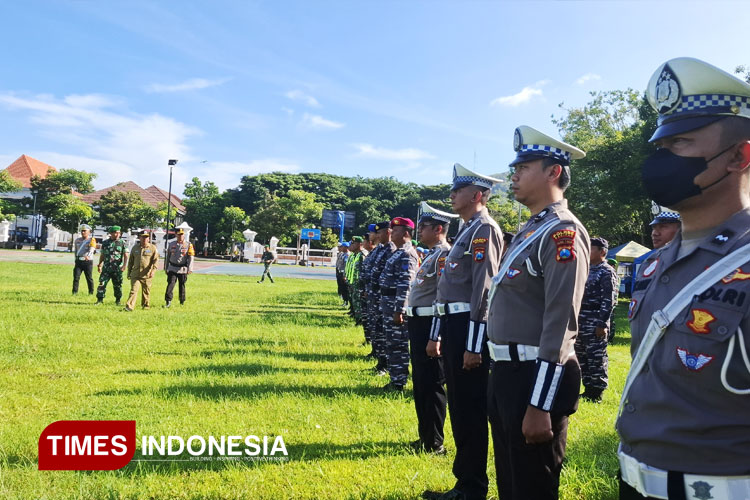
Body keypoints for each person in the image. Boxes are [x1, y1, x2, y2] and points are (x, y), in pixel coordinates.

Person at [618, 57, 750, 499]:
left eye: (680, 144)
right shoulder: (655, 262)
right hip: (635, 481)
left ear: (740, 155)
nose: (660, 159)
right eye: (660, 145)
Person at [486, 125, 589, 500]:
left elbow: (561, 324)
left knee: (532, 486)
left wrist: (540, 403)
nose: (513, 175)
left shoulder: (562, 231)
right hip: (507, 372)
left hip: (534, 376)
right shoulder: (533, 229)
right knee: (510, 481)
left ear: (553, 172)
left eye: (524, 166)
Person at [424, 164, 503, 500]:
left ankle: (472, 488)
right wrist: (438, 333)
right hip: (454, 328)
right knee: (459, 408)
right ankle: (465, 482)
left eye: (458, 190)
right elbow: (448, 291)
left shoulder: (484, 230)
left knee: (469, 410)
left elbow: (483, 291)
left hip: (469, 331)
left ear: (477, 195)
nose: (452, 195)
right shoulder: (467, 231)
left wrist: (474, 345)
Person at [407, 202, 456, 455]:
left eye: (424, 227)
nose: (420, 231)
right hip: (418, 323)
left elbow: (441, 297)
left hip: (430, 326)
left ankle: (435, 442)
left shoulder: (444, 255)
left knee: (433, 385)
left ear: (438, 229)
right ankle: (424, 436)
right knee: (421, 384)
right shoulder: (430, 255)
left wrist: (435, 335)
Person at [379, 217, 420, 391]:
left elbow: (406, 283)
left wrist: (399, 310)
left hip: (395, 306)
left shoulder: (407, 253)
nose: (391, 233)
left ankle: (398, 382)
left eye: (395, 230)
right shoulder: (398, 251)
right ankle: (395, 378)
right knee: (391, 343)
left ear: (405, 233)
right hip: (388, 303)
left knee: (398, 344)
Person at [575, 236, 617, 402]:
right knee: (582, 355)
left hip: (595, 319)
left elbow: (609, 300)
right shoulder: (584, 268)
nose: (587, 250)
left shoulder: (606, 271)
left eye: (592, 248)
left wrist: (602, 323)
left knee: (596, 356)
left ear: (602, 252)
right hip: (581, 319)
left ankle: (597, 391)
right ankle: (588, 388)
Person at [369, 221, 395, 375]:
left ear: (388, 232)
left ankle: (385, 365)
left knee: (385, 333)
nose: (377, 235)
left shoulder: (391, 249)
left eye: (380, 232)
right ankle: (381, 361)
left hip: (385, 297)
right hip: (377, 295)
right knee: (378, 330)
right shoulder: (382, 249)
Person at [125, 230, 159, 311]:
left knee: (146, 291)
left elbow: (155, 260)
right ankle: (129, 306)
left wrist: (153, 271)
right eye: (143, 237)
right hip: (136, 273)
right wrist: (129, 272)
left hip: (146, 274)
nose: (144, 239)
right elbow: (131, 262)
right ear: (139, 237)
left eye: (146, 237)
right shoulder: (135, 248)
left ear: (148, 238)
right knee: (133, 290)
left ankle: (145, 305)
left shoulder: (152, 248)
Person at [96, 226, 129, 305]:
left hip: (117, 268)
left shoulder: (122, 243)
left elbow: (126, 255)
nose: (117, 234)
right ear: (111, 233)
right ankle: (100, 300)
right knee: (102, 283)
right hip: (106, 268)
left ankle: (118, 300)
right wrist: (100, 264)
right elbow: (102, 254)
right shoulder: (105, 243)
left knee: (117, 285)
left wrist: (124, 266)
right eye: (115, 233)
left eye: (118, 233)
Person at [164, 228, 195, 307]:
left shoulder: (188, 245)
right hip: (172, 268)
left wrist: (190, 268)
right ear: (176, 235)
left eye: (182, 234)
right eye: (179, 234)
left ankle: (182, 301)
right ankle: (168, 301)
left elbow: (191, 257)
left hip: (182, 269)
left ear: (184, 235)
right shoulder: (171, 244)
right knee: (170, 284)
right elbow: (168, 257)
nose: (180, 236)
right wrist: (166, 267)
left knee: (182, 285)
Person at [345, 236, 367, 325]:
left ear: (360, 244)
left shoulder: (362, 255)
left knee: (359, 303)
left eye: (353, 244)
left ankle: (360, 320)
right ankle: (357, 318)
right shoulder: (354, 255)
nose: (351, 245)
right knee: (355, 301)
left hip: (359, 284)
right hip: (352, 282)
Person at [72, 224, 97, 295]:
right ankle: (74, 292)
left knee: (89, 278)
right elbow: (76, 251)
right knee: (76, 277)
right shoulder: (77, 240)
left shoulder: (91, 240)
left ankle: (91, 292)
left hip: (87, 262)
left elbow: (92, 249)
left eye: (85, 231)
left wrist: (88, 256)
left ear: (89, 232)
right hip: (79, 261)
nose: (83, 232)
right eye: (82, 231)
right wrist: (76, 259)